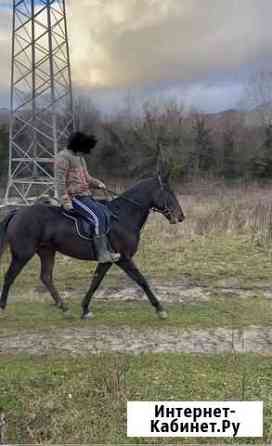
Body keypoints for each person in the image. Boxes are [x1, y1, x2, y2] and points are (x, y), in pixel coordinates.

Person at [55, 131, 120, 263]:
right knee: (96, 218)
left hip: (86, 195)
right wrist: (66, 201)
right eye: (84, 150)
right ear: (77, 146)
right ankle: (101, 254)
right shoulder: (62, 158)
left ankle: (107, 250)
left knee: (105, 213)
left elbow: (87, 178)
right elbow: (60, 182)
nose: (85, 153)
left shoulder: (80, 158)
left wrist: (98, 183)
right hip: (74, 197)